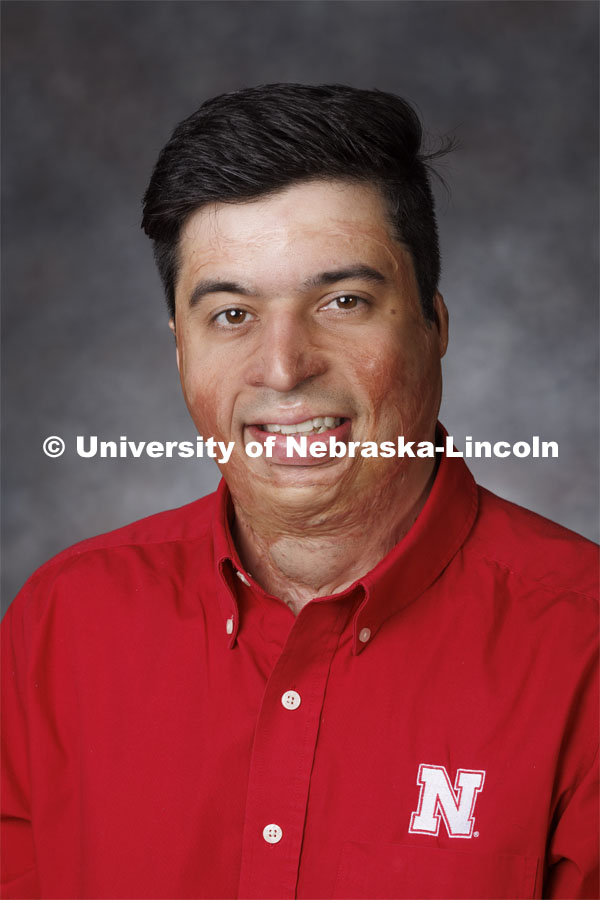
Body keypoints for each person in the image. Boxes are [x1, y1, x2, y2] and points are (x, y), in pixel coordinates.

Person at [2, 83, 597, 900]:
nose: (284, 366)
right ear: (179, 351)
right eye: (231, 314)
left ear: (434, 323)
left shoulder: (583, 646)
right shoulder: (60, 625)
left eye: (343, 302)